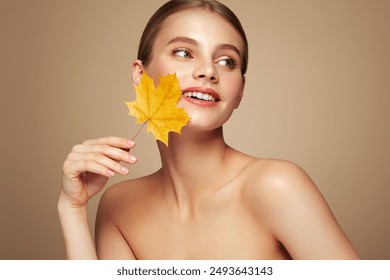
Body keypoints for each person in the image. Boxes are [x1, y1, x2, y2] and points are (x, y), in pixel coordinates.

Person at [58, 0, 360, 260]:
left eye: (227, 61)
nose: (208, 71)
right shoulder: (119, 206)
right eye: (184, 52)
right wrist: (72, 209)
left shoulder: (276, 187)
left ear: (240, 91)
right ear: (140, 74)